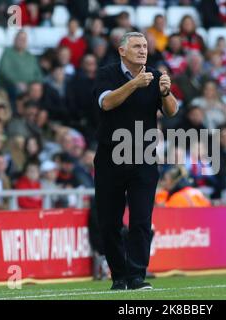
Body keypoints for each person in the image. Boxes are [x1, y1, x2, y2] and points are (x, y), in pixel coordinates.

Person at [93, 32, 178, 290]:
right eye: (137, 46)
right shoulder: (106, 74)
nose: (143, 50)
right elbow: (106, 103)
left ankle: (137, 275)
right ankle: (119, 276)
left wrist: (165, 92)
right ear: (122, 51)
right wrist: (134, 84)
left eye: (144, 46)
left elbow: (172, 110)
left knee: (141, 219)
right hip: (111, 157)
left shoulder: (154, 75)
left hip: (143, 157)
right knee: (109, 222)